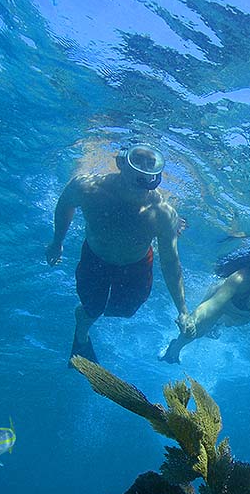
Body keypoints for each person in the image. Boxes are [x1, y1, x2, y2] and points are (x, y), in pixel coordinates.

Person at [45, 144, 192, 365]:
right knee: (92, 308)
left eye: (150, 163)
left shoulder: (162, 213)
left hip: (137, 266)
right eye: (137, 160)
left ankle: (89, 316)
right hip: (95, 259)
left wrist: (183, 310)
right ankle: (81, 334)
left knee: (124, 311)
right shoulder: (88, 188)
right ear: (121, 163)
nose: (144, 170)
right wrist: (57, 242)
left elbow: (171, 263)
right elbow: (65, 204)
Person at [159, 244, 250, 364]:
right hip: (221, 302)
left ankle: (214, 326)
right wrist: (191, 320)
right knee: (196, 330)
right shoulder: (242, 279)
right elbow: (213, 304)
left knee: (214, 330)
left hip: (241, 316)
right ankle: (174, 349)